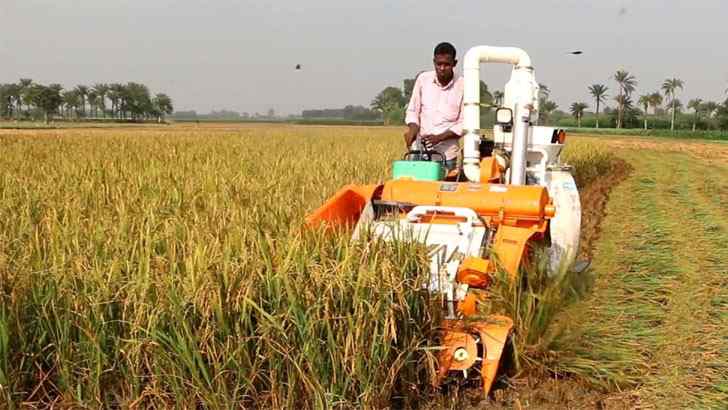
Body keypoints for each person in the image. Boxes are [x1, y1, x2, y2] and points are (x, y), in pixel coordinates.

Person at [403, 42, 464, 172]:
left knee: (445, 190)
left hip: (446, 155)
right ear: (434, 62)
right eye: (438, 64)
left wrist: (440, 137)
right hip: (420, 152)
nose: (442, 68)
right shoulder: (423, 79)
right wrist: (413, 127)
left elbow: (465, 123)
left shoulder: (463, 85)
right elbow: (413, 110)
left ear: (454, 63)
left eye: (447, 64)